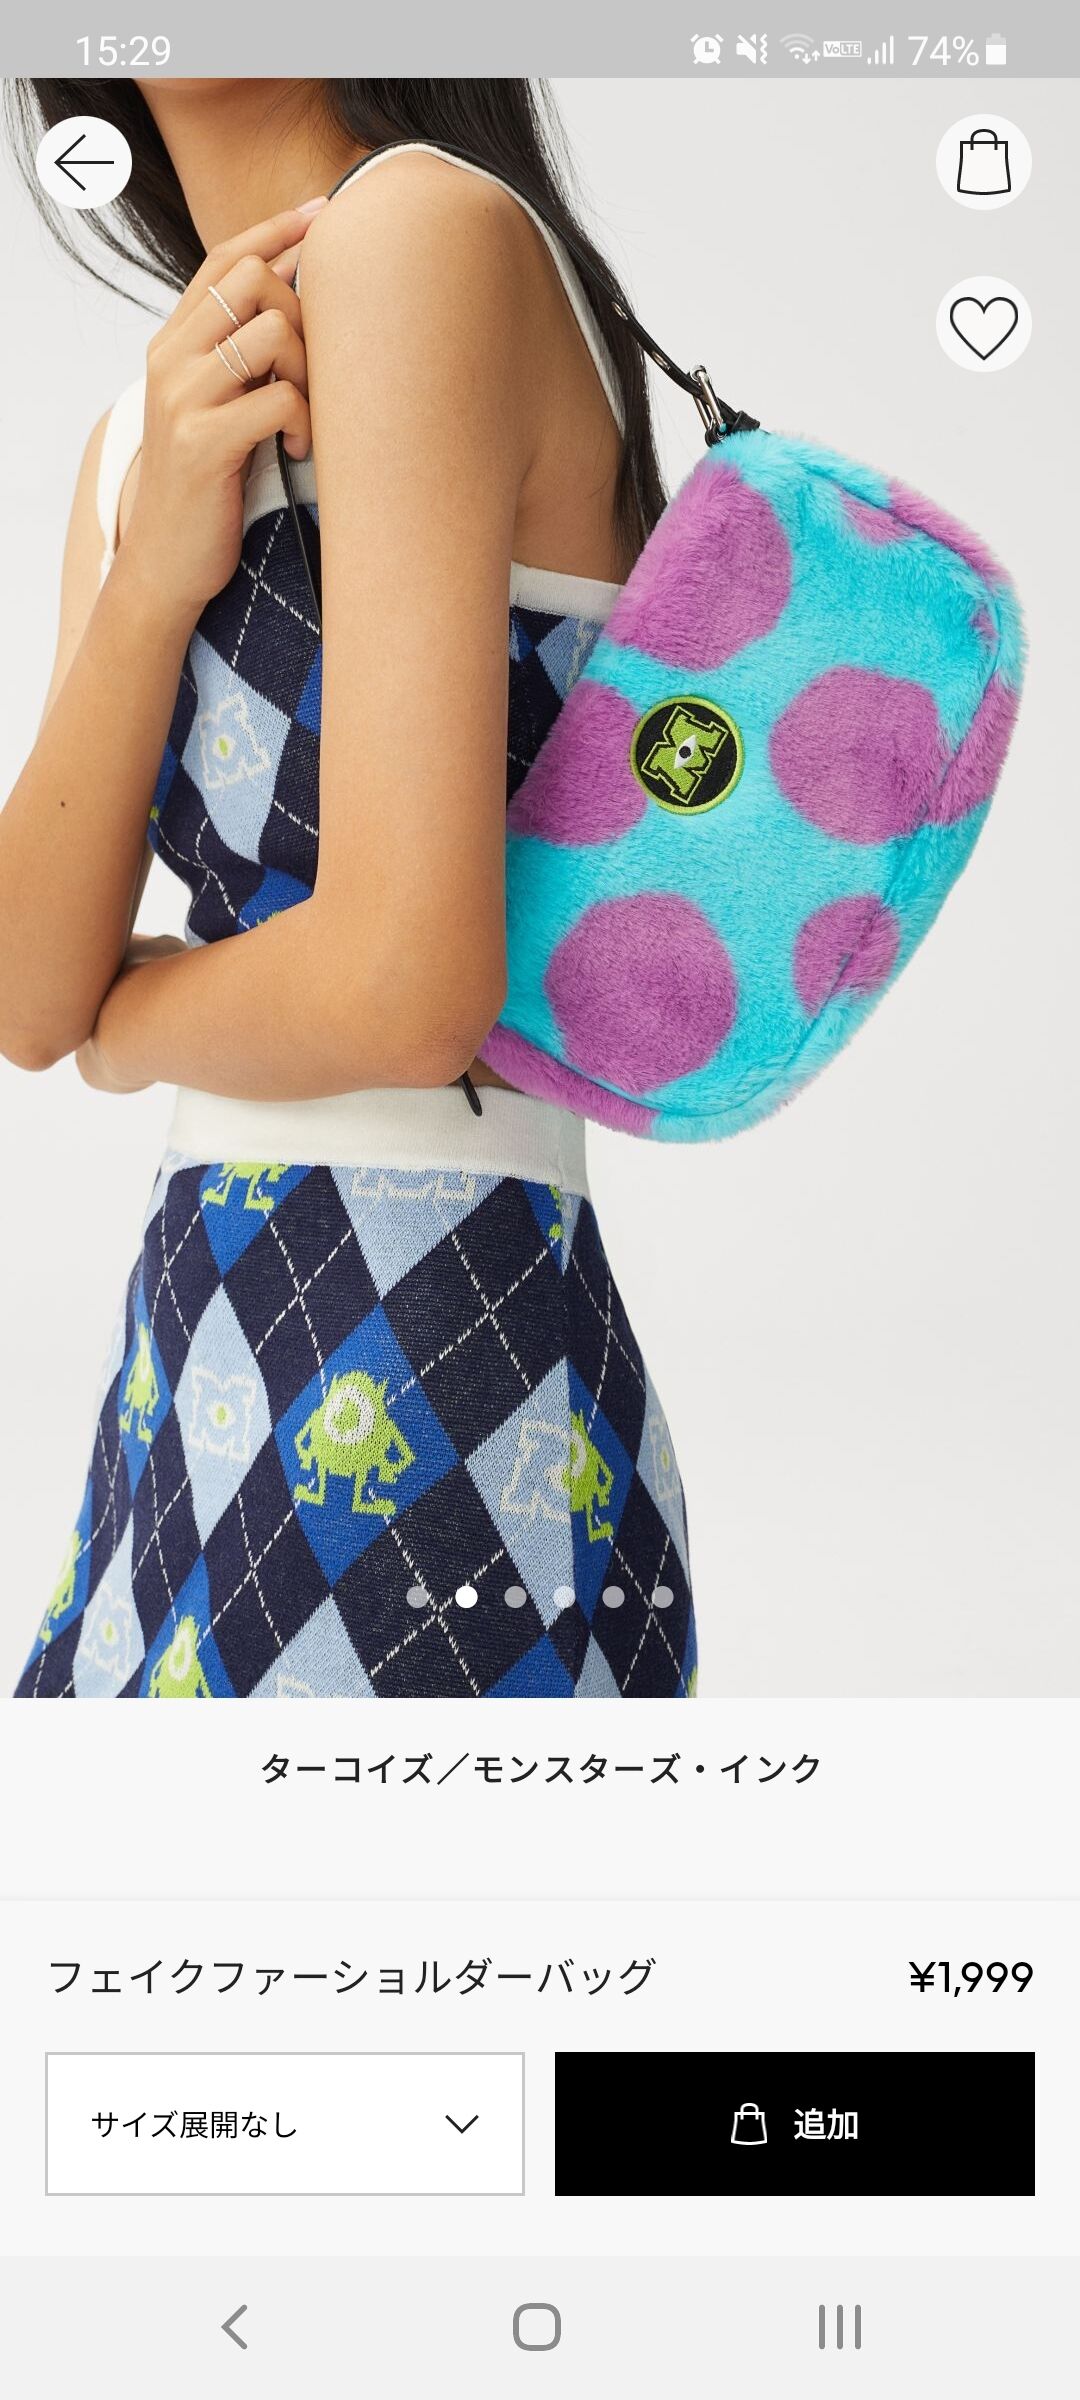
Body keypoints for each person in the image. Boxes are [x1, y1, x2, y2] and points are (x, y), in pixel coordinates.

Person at [1, 77, 695, 1699]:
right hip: (201, 1351)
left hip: (437, 1355)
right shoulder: (141, 435)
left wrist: (133, 1021)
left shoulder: (417, 231)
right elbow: (27, 996)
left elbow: (407, 986)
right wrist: (154, 568)